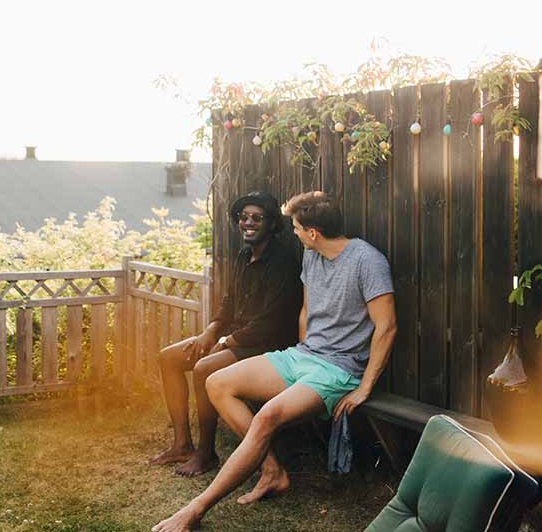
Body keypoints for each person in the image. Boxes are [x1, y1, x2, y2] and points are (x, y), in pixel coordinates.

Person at [152, 191, 397, 532]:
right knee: (216, 383)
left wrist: (364, 387)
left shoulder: (367, 261)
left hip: (338, 369)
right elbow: (307, 310)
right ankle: (271, 470)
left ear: (312, 232)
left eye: (296, 227)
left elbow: (386, 327)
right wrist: (299, 351)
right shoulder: (312, 257)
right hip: (304, 355)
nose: (293, 232)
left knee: (266, 417)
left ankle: (195, 509)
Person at [148, 191, 303, 478]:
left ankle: (206, 454)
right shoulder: (244, 255)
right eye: (243, 217)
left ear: (271, 224)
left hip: (268, 345)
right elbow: (229, 303)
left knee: (204, 368)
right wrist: (211, 330)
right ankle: (182, 444)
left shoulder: (283, 262)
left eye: (257, 217)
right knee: (169, 358)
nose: (248, 223)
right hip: (237, 337)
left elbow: (272, 322)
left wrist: (225, 342)